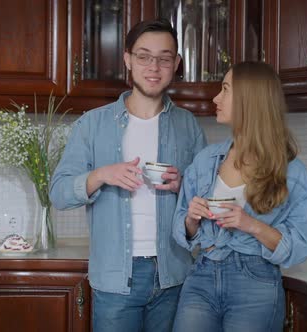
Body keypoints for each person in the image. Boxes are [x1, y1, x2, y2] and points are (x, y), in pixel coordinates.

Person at [49, 18, 206, 332]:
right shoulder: (93, 125)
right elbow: (59, 193)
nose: (154, 67)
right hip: (116, 280)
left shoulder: (188, 126)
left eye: (164, 59)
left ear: (175, 63)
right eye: (144, 56)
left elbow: (205, 202)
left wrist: (182, 188)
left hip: (174, 276)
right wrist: (101, 175)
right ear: (128, 60)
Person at [171, 61, 307, 332]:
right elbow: (182, 228)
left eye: (225, 90)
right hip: (202, 276)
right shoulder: (206, 160)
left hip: (255, 283)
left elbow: (300, 247)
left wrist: (250, 225)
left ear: (250, 100)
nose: (216, 98)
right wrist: (191, 219)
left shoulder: (290, 171)